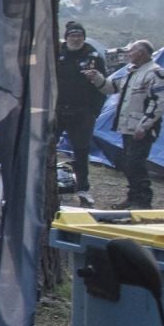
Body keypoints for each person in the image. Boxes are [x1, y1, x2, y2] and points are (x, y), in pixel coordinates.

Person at [56, 21, 109, 203]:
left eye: (79, 36)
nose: (76, 39)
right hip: (57, 110)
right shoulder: (56, 54)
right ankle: (45, 180)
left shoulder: (92, 57)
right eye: (72, 36)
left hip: (83, 111)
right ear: (67, 37)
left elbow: (103, 86)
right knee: (47, 146)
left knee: (81, 150)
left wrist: (94, 111)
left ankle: (83, 188)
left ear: (84, 38)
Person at [112, 39, 164, 209]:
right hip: (127, 125)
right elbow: (113, 89)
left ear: (142, 53)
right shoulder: (132, 72)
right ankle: (132, 197)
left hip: (141, 128)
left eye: (132, 51)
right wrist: (97, 78)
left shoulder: (155, 73)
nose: (129, 54)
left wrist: (144, 126)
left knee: (136, 163)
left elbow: (158, 102)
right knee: (128, 163)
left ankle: (143, 200)